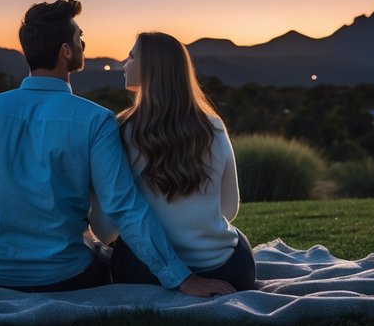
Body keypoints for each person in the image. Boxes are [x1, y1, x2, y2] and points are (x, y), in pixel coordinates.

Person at [0, 0, 235, 297]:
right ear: (66, 51)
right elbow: (124, 207)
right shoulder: (96, 121)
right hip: (66, 277)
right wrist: (180, 277)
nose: (84, 42)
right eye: (79, 36)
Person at [89, 32, 257, 291]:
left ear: (151, 69)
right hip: (228, 271)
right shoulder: (213, 126)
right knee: (238, 238)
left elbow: (106, 229)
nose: (125, 64)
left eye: (132, 57)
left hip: (143, 273)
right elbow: (228, 209)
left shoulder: (121, 130)